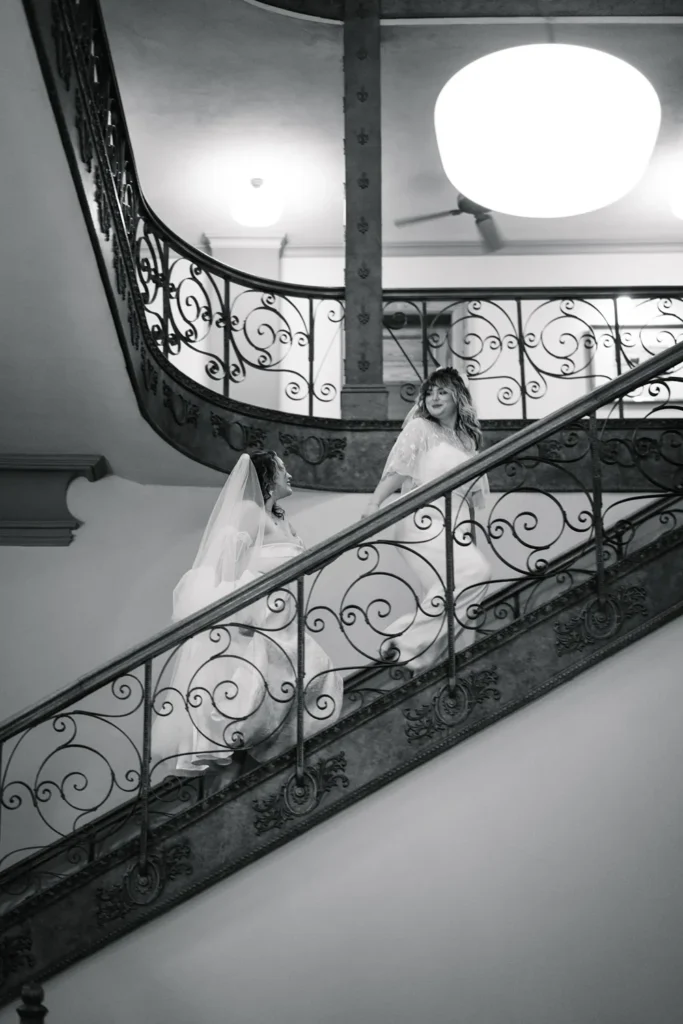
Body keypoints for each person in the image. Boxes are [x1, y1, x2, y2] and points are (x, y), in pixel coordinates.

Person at [151, 450, 343, 777]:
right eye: (282, 469)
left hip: (287, 617)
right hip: (261, 617)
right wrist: (243, 613)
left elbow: (305, 562)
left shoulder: (281, 520)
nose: (289, 475)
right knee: (260, 691)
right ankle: (255, 763)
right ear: (266, 476)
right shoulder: (249, 513)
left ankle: (285, 757)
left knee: (310, 675)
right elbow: (225, 565)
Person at [361, 367, 491, 674]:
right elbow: (400, 468)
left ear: (458, 397)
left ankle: (423, 657)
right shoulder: (420, 427)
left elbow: (470, 499)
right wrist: (375, 503)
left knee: (454, 591)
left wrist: (469, 538)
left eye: (442, 391)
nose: (434, 397)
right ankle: (403, 638)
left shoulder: (467, 441)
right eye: (430, 392)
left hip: (457, 525)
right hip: (424, 519)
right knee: (476, 572)